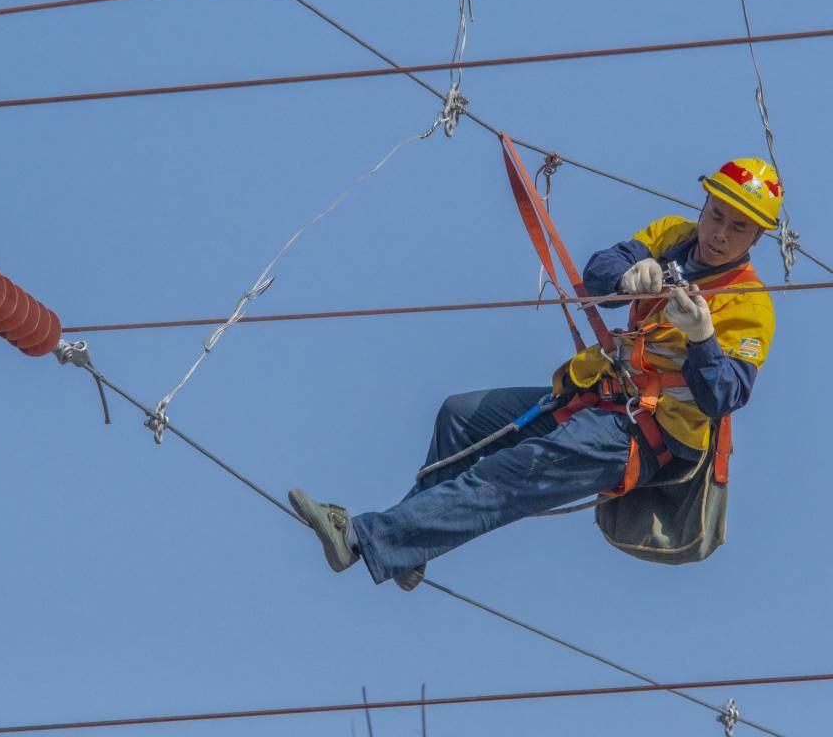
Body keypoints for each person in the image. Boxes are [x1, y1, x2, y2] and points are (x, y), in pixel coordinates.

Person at [288, 158, 781, 589]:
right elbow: (602, 268)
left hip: (647, 431)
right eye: (717, 215)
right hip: (601, 395)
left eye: (738, 228)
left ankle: (360, 538)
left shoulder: (749, 304)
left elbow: (724, 396)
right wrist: (624, 277)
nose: (719, 233)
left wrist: (702, 339)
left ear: (757, 237)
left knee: (509, 474)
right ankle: (410, 547)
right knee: (459, 416)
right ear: (704, 205)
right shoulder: (673, 235)